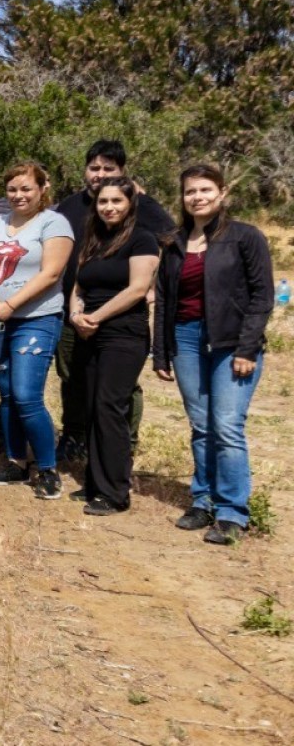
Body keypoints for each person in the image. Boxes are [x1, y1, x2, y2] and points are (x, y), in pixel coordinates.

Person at [154, 164, 273, 544]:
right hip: (186, 339)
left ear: (222, 193)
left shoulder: (245, 237)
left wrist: (247, 347)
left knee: (226, 426)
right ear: (183, 197)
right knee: (201, 424)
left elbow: (262, 297)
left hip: (232, 342)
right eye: (191, 192)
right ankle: (202, 501)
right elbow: (164, 301)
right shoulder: (174, 242)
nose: (198, 197)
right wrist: (161, 354)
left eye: (205, 190)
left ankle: (232, 512)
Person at [54, 140, 176, 461]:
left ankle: (125, 441)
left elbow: (173, 243)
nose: (100, 174)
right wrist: (73, 308)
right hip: (74, 308)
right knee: (73, 376)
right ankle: (74, 435)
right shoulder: (69, 206)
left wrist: (152, 288)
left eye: (109, 168)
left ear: (122, 172)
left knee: (122, 385)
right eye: (94, 167)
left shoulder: (138, 205)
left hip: (120, 313)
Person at [68, 177, 160, 516]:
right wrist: (76, 314)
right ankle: (95, 483)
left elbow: (137, 289)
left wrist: (95, 317)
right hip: (88, 331)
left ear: (130, 203)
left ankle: (115, 493)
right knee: (91, 406)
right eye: (103, 201)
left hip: (124, 333)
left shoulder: (142, 239)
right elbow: (77, 286)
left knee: (110, 407)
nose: (109, 207)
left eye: (116, 201)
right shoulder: (93, 239)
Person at [0, 162, 73, 499]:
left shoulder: (54, 223)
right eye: (12, 189)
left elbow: (51, 274)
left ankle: (47, 468)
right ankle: (16, 462)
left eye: (26, 189)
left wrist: (10, 304)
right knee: (6, 394)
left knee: (26, 394)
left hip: (36, 319)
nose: (18, 196)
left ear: (42, 189)